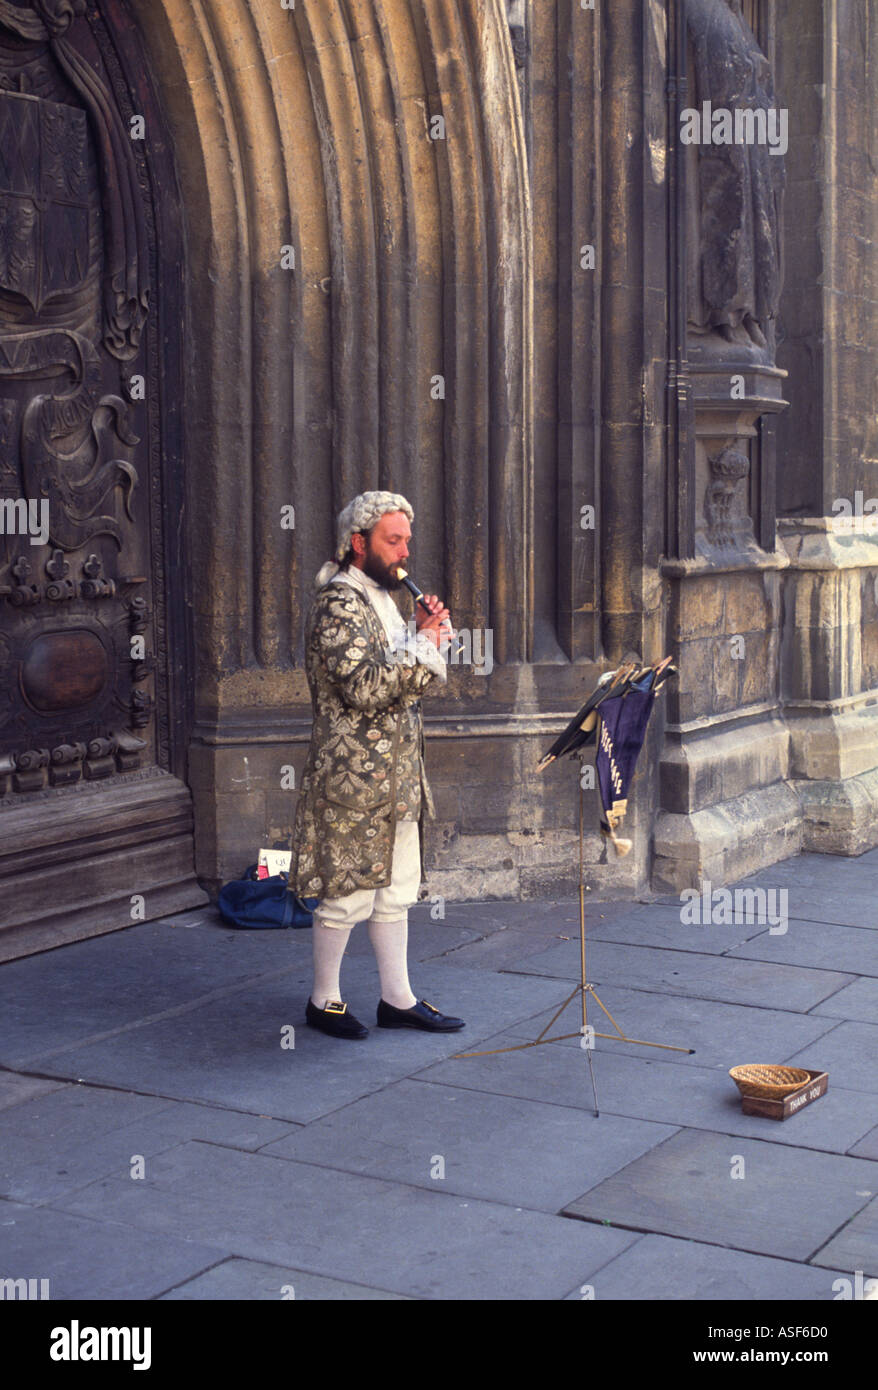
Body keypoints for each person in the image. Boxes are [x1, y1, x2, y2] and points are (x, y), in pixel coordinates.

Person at [288, 491, 465, 1040]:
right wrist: (428, 648)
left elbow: (391, 672)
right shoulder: (338, 604)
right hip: (352, 779)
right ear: (357, 543)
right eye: (393, 541)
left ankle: (398, 998)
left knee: (396, 888)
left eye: (407, 540)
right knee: (346, 891)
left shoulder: (382, 600)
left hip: (397, 776)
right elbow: (365, 688)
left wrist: (419, 636)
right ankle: (324, 1000)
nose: (403, 552)